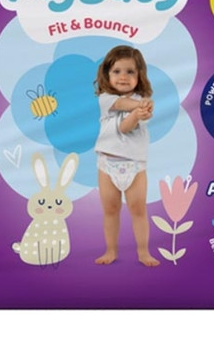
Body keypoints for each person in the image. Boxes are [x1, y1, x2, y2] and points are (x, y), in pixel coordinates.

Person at [93, 45, 159, 267]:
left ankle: (143, 252)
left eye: (130, 71)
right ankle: (110, 250)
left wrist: (141, 111)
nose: (123, 77)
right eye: (117, 71)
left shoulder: (142, 100)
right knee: (110, 210)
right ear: (107, 74)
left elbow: (126, 127)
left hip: (135, 166)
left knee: (138, 209)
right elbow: (122, 108)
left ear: (140, 75)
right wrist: (140, 108)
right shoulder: (105, 98)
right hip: (107, 165)